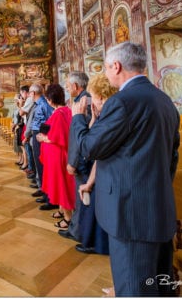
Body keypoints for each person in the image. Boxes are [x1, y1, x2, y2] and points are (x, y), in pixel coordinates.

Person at [70, 42, 180, 296]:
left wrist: (78, 119)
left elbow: (89, 148)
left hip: (130, 214)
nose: (106, 74)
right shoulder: (163, 99)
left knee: (133, 287)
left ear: (116, 66)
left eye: (106, 68)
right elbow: (172, 155)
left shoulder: (122, 102)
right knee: (159, 285)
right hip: (158, 207)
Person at [76, 73, 118, 255]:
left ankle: (99, 245)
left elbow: (88, 148)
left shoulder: (111, 118)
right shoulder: (108, 114)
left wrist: (78, 119)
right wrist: (93, 118)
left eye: (92, 96)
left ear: (100, 97)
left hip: (110, 178)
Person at [59, 71, 91, 242]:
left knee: (83, 198)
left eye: (68, 85)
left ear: (76, 86)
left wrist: (73, 161)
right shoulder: (79, 100)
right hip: (81, 157)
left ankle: (81, 233)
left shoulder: (84, 102)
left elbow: (80, 136)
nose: (66, 87)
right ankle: (77, 230)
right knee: (81, 197)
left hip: (82, 159)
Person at [37, 84, 74, 228]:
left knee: (60, 184)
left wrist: (43, 138)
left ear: (51, 99)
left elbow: (58, 137)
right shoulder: (63, 111)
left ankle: (67, 218)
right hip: (56, 154)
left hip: (57, 155)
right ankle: (61, 210)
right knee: (58, 183)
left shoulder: (59, 114)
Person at [29, 83, 54, 209]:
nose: (29, 95)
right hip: (37, 134)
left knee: (43, 166)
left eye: (29, 92)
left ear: (33, 93)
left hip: (40, 136)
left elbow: (50, 120)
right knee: (39, 165)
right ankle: (45, 192)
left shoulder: (43, 104)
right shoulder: (39, 104)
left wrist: (42, 134)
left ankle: (50, 197)